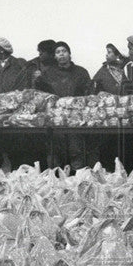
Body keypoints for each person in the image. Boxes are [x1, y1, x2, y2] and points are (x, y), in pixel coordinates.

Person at [37, 42, 97, 170]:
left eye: (64, 51)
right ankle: (56, 181)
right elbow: (40, 95)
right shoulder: (48, 73)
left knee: (76, 150)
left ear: (69, 54)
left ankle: (77, 179)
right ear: (55, 56)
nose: (61, 54)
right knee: (55, 152)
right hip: (55, 120)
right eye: (58, 52)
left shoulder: (81, 72)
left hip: (75, 119)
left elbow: (89, 94)